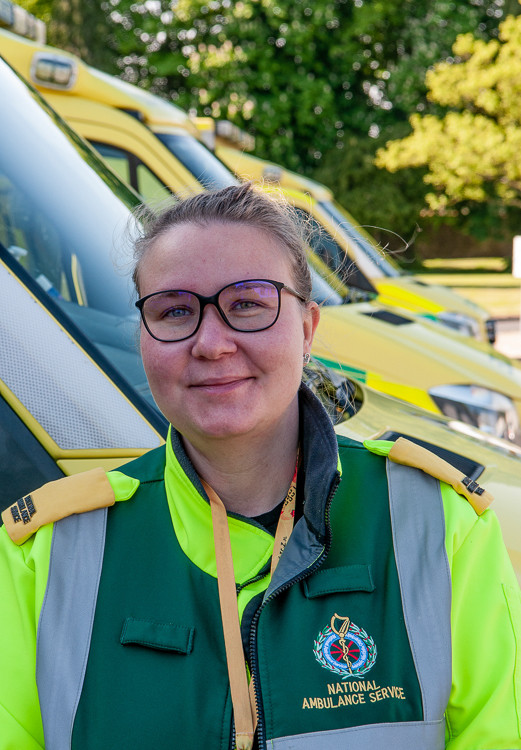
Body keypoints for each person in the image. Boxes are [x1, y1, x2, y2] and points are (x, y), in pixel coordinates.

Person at [1, 182, 520, 750]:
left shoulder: (444, 525)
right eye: (174, 311)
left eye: (248, 302)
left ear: (307, 329)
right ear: (143, 339)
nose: (212, 342)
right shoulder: (42, 554)